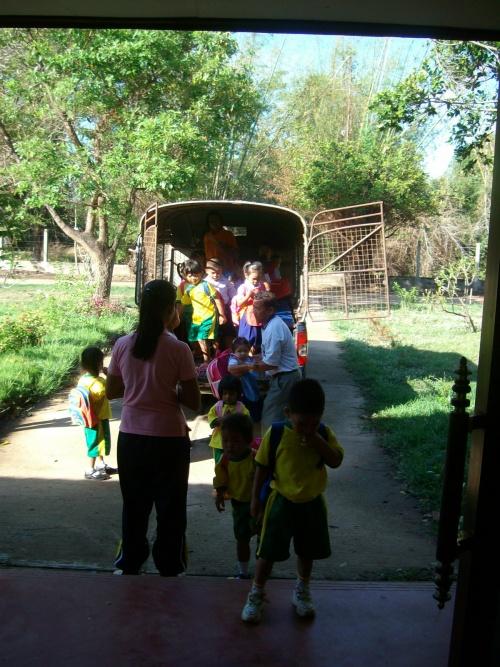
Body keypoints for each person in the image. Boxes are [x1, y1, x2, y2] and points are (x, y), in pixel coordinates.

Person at [106, 279, 201, 576]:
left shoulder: (122, 345)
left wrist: (138, 388)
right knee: (170, 507)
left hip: (132, 437)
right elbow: (194, 402)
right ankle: (169, 563)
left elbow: (112, 391)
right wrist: (167, 390)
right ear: (169, 308)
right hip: (169, 439)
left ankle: (131, 559)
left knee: (134, 504)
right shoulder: (178, 348)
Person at [241, 378, 344, 624]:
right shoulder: (276, 433)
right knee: (267, 552)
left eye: (314, 422)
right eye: (301, 423)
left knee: (307, 551)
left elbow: (335, 460)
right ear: (288, 413)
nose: (308, 428)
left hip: (312, 502)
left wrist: (316, 439)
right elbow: (262, 468)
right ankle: (256, 592)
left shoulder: (323, 433)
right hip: (281, 502)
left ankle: (302, 590)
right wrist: (255, 500)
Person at [213, 412, 257, 579]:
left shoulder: (255, 457)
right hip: (239, 504)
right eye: (225, 441)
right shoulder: (225, 460)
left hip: (259, 504)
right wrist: (220, 494)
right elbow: (221, 478)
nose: (229, 446)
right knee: (241, 538)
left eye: (235, 441)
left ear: (248, 440)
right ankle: (243, 571)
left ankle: (262, 569)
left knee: (262, 537)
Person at [252, 291, 302, 433]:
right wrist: (258, 357)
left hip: (285, 378)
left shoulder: (274, 328)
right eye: (253, 307)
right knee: (280, 417)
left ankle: (270, 450)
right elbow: (271, 355)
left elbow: (272, 364)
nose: (254, 312)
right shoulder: (268, 324)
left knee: (271, 419)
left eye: (257, 308)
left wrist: (247, 367)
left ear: (270, 310)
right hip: (283, 377)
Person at [77, 346, 117, 481]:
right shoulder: (98, 382)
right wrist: (109, 376)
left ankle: (101, 465)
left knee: (100, 441)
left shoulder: (83, 379)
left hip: (92, 418)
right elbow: (110, 391)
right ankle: (90, 470)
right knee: (95, 443)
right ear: (99, 364)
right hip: (97, 418)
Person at [179, 259, 227, 363]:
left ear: (201, 273)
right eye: (190, 275)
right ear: (185, 276)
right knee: (195, 338)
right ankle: (206, 357)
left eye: (196, 274)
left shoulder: (206, 285)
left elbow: (217, 299)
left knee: (203, 339)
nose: (193, 278)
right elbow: (184, 303)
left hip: (209, 317)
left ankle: (207, 361)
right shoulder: (188, 289)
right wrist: (178, 317)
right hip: (196, 319)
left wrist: (222, 315)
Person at [208, 374, 250, 463]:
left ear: (238, 394)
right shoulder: (217, 407)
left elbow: (247, 422)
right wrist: (221, 420)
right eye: (225, 393)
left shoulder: (241, 408)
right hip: (219, 442)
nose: (227, 396)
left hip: (236, 443)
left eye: (231, 394)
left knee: (234, 462)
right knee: (219, 464)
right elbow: (211, 418)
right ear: (221, 393)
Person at [235, 261, 270, 352]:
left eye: (259, 278)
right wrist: (248, 295)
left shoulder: (262, 286)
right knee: (246, 341)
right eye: (254, 279)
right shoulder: (243, 287)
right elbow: (239, 303)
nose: (256, 281)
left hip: (259, 317)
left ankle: (255, 360)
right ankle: (246, 361)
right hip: (247, 319)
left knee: (258, 341)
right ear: (246, 275)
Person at [227, 337, 263, 423]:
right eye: (239, 351)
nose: (243, 353)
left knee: (256, 405)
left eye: (245, 351)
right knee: (246, 408)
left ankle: (255, 420)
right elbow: (230, 368)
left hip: (252, 387)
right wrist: (249, 366)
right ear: (234, 352)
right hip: (244, 390)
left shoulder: (249, 359)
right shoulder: (234, 359)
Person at [204, 257, 236, 348]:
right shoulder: (205, 282)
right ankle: (216, 353)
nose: (216, 275)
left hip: (225, 308)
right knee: (214, 333)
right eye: (213, 273)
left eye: (218, 272)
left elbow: (233, 294)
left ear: (222, 270)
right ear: (206, 271)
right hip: (211, 310)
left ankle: (229, 350)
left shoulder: (226, 281)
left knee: (228, 331)